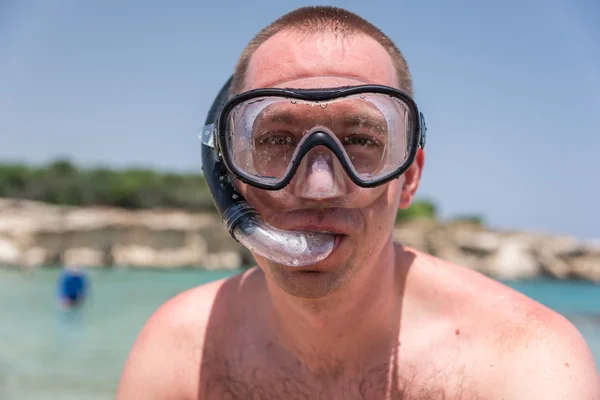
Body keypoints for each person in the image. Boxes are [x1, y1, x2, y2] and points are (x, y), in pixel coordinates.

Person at [117, 6, 599, 399]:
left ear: (409, 176)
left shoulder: (524, 366)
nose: (318, 185)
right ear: (228, 176)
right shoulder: (180, 351)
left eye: (362, 140)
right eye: (277, 140)